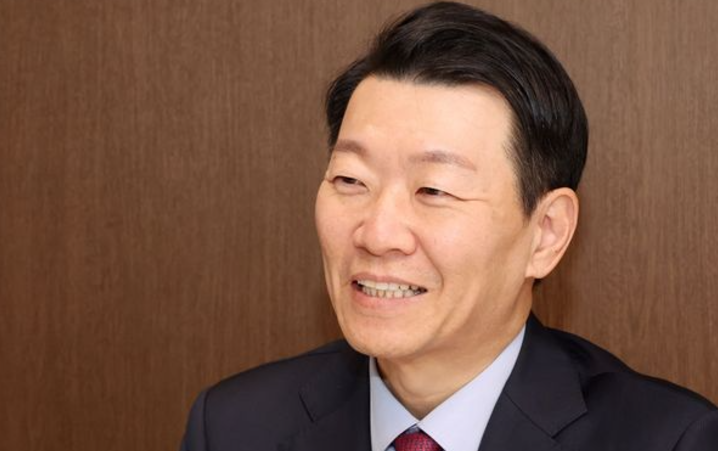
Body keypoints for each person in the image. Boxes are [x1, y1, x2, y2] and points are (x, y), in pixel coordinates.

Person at [180, 2, 718, 450]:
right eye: (350, 180)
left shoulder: (671, 439)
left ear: (547, 233)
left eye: (433, 190)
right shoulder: (232, 427)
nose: (377, 234)